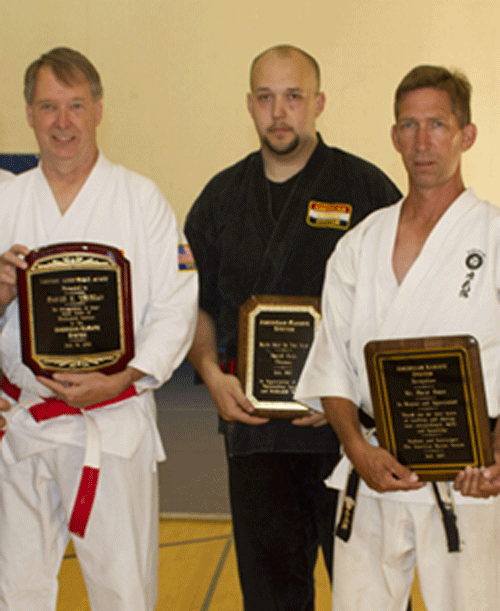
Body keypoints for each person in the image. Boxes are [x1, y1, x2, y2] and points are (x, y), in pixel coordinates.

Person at [184, 44, 401, 611]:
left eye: (294, 97)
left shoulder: (369, 193)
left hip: (351, 436)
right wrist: (209, 372)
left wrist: (345, 390)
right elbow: (198, 306)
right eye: (265, 97)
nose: (279, 112)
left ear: (318, 103)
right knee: (272, 599)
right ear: (250, 105)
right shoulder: (219, 200)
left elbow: (398, 310)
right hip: (258, 436)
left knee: (374, 593)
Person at [295, 65, 500, 611]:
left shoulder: (494, 236)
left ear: (467, 135)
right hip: (373, 463)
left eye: (437, 124)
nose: (422, 141)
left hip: (469, 471)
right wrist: (355, 448)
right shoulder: (360, 243)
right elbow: (332, 361)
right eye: (408, 126)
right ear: (393, 137)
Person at [0, 47, 198, 611]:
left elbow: (177, 304)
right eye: (47, 107)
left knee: (123, 591)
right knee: (17, 591)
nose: (62, 122)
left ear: (99, 109)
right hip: (22, 426)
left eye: (75, 106)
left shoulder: (142, 200)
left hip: (111, 424)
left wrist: (125, 378)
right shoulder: (5, 200)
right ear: (29, 113)